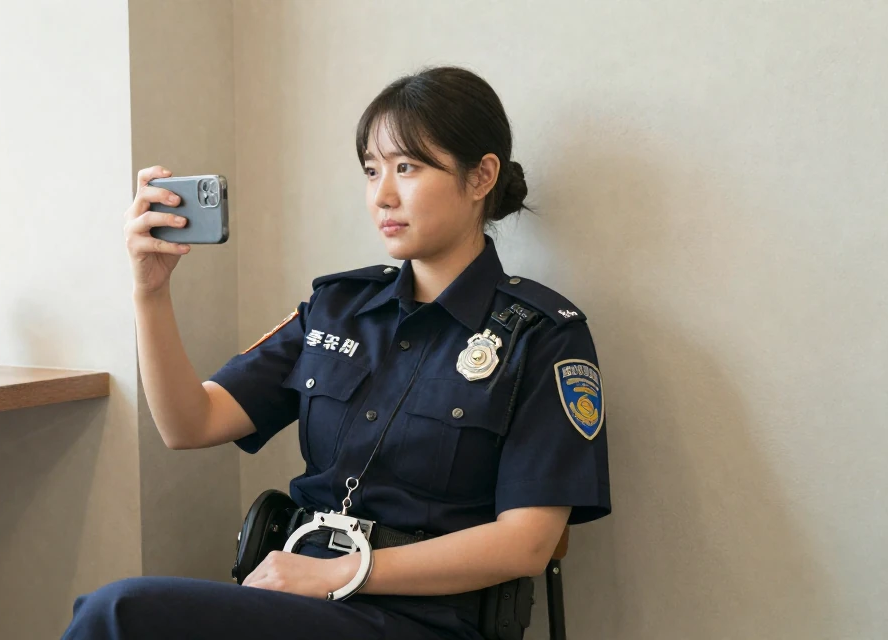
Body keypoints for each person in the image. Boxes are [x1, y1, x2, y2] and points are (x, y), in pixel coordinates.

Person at [60, 66, 611, 640]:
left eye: (408, 167)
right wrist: (151, 292)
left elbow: (527, 543)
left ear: (481, 177)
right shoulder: (339, 308)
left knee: (118, 613)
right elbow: (189, 422)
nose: (382, 195)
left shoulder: (542, 335)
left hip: (427, 620)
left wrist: (346, 571)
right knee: (114, 614)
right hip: (300, 601)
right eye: (372, 171)